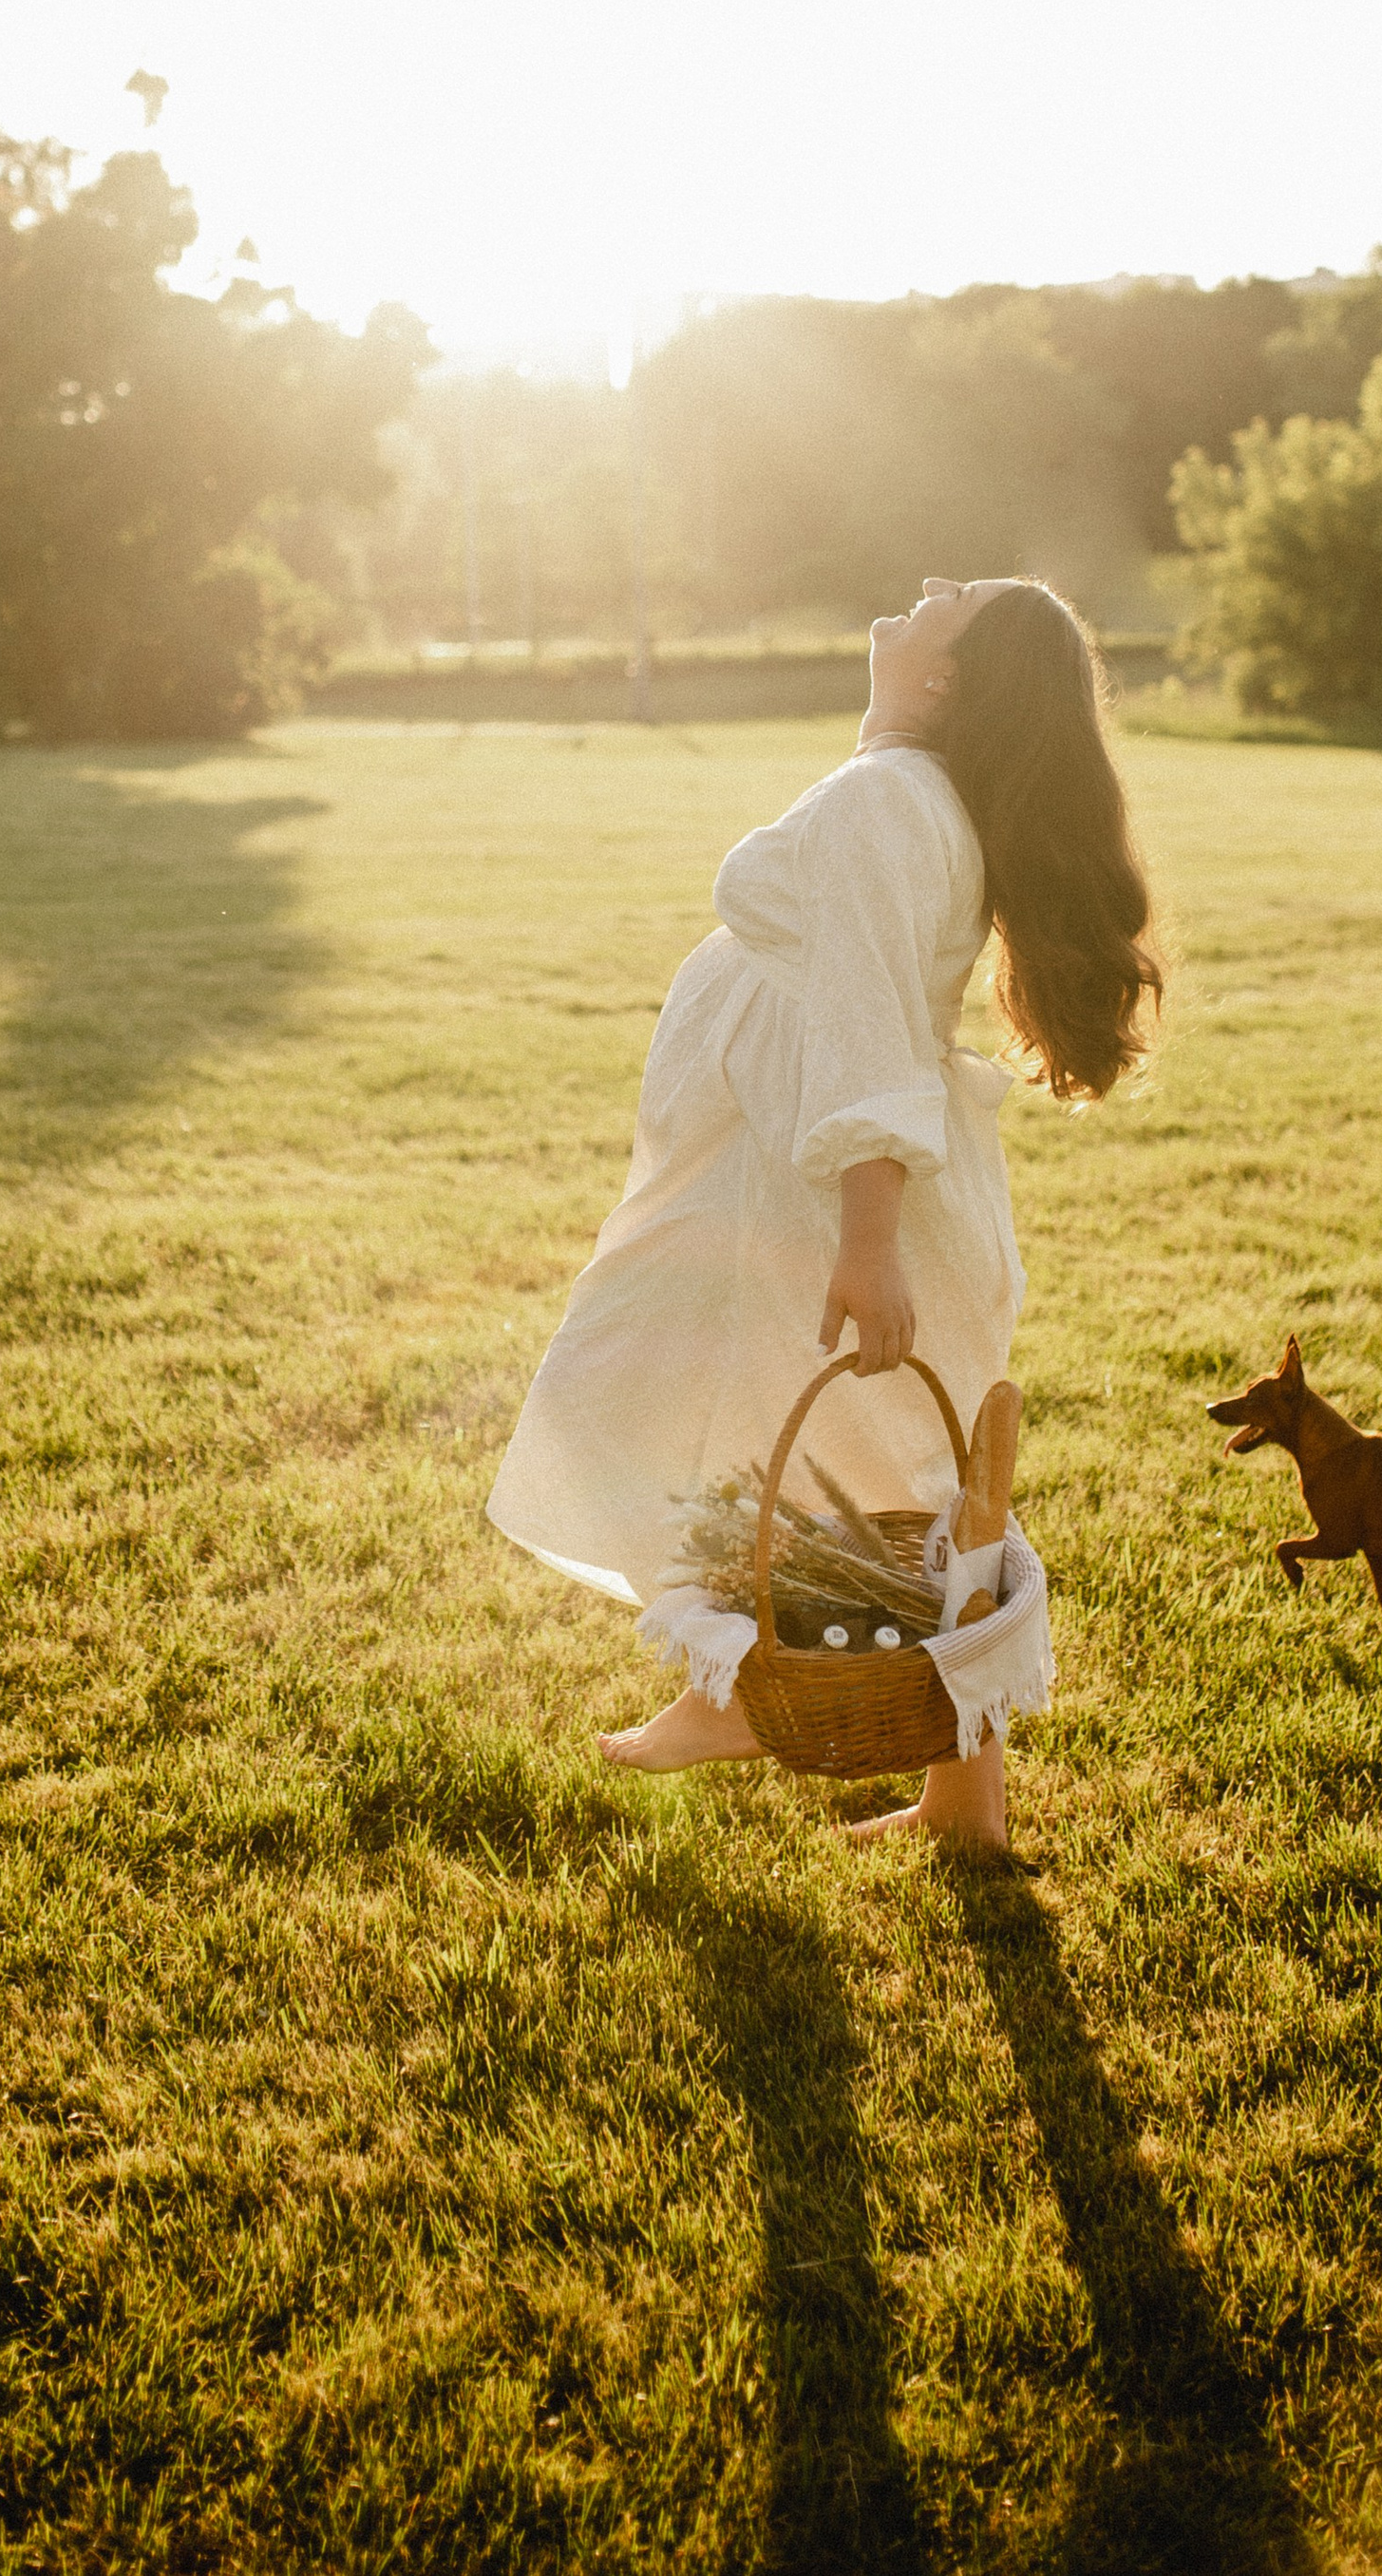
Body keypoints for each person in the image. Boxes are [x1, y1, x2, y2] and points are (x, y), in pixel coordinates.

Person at [486, 575, 1162, 1847]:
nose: (928, 587)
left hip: (821, 1200)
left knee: (716, 1431)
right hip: (840, 1184)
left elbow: (859, 1017)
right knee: (900, 1489)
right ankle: (965, 1803)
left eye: (952, 600)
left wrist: (863, 1239)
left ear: (951, 676)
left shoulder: (882, 802)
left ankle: (733, 1683)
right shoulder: (909, 792)